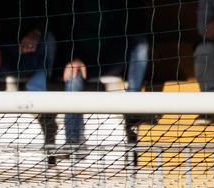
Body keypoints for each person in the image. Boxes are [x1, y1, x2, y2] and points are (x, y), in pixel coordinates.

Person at [58, 0, 150, 143]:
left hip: (112, 61)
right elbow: (64, 29)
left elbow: (137, 27)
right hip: (83, 62)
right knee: (73, 76)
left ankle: (132, 110)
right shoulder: (74, 5)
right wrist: (73, 57)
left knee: (141, 44)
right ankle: (72, 143)